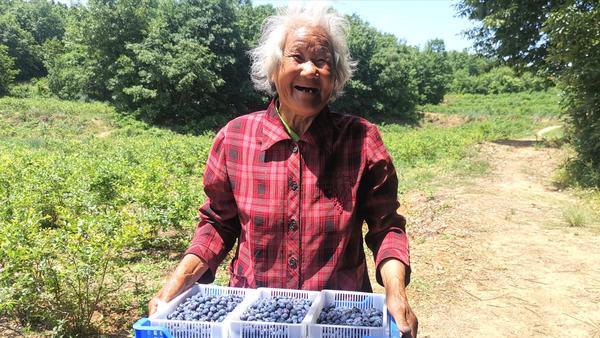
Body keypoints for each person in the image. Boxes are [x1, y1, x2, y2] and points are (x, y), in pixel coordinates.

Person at [149, 5, 418, 337]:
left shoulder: (361, 141)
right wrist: (184, 276)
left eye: (323, 61)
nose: (310, 69)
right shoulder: (235, 138)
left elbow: (386, 228)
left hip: (338, 319)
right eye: (298, 57)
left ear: (335, 79)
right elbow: (218, 223)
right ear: (274, 68)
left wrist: (396, 291)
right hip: (254, 318)